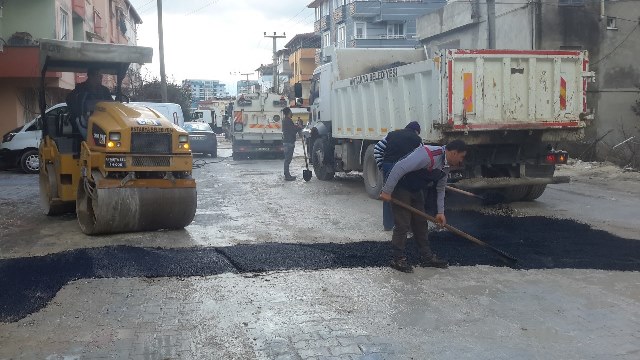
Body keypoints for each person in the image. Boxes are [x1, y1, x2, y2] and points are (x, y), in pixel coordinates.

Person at [379, 139, 468, 273]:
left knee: (421, 223)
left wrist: (440, 212)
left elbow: (441, 188)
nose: (461, 161)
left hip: (416, 189)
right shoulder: (428, 154)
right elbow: (399, 167)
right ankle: (397, 259)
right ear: (454, 153)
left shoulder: (446, 166)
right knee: (403, 223)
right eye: (462, 157)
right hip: (401, 186)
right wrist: (387, 191)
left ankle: (426, 257)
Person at [373, 121, 423, 231]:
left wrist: (382, 166)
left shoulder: (391, 134)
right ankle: (407, 226)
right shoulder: (417, 140)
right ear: (416, 131)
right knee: (406, 194)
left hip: (389, 166)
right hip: (406, 169)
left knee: (387, 193)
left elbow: (377, 149)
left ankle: (388, 225)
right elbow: (421, 158)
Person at [282, 107, 302, 181]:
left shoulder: (286, 120)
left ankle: (287, 174)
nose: (291, 113)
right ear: (288, 113)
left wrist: (296, 126)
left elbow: (292, 128)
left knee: (287, 159)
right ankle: (287, 176)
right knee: (288, 159)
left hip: (287, 142)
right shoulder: (288, 121)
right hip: (289, 142)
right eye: (290, 111)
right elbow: (292, 131)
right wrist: (298, 128)